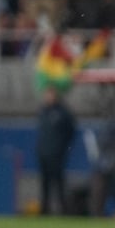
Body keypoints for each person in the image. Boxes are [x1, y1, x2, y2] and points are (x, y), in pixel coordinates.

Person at [36, 85, 77, 215]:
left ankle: (63, 210)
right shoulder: (43, 111)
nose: (49, 97)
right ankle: (44, 210)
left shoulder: (63, 112)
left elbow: (71, 131)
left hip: (58, 154)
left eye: (51, 95)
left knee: (59, 183)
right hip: (44, 153)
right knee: (44, 183)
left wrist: (63, 147)